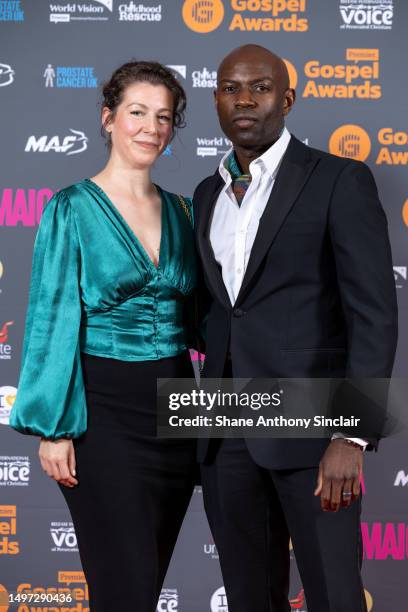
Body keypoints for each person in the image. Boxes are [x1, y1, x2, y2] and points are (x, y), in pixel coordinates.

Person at [193, 45, 398, 612]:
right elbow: (221, 314)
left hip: (313, 432)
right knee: (247, 595)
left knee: (333, 593)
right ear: (217, 100)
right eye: (232, 88)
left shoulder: (339, 180)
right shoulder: (207, 194)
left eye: (260, 88)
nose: (245, 100)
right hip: (227, 432)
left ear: (287, 98)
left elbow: (373, 314)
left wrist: (351, 434)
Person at [10, 61, 199, 612]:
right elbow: (50, 320)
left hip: (178, 409)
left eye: (163, 117)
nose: (150, 127)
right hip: (104, 412)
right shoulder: (71, 208)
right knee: (125, 588)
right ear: (108, 117)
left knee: (149, 579)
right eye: (137, 112)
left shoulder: (184, 211)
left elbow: (208, 318)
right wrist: (53, 427)